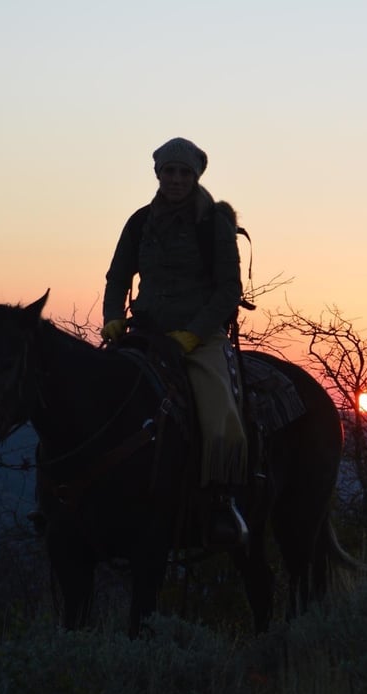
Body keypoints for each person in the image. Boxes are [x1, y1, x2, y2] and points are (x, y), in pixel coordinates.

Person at [101, 137, 250, 547]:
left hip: (198, 337)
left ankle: (222, 502)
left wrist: (194, 334)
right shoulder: (139, 222)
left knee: (220, 418)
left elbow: (228, 290)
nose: (177, 179)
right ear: (158, 174)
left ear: (196, 175)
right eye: (170, 171)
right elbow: (117, 276)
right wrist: (113, 318)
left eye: (185, 172)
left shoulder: (214, 223)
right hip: (145, 331)